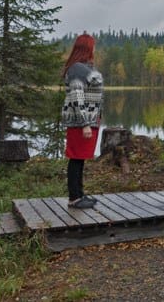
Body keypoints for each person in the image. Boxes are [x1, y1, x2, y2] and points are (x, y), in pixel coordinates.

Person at [61, 33, 103, 208]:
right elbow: (76, 97)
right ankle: (74, 198)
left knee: (80, 159)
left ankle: (79, 195)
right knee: (76, 158)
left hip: (88, 121)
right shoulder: (78, 69)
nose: (94, 48)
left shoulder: (82, 67)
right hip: (81, 123)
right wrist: (85, 123)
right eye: (92, 46)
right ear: (86, 48)